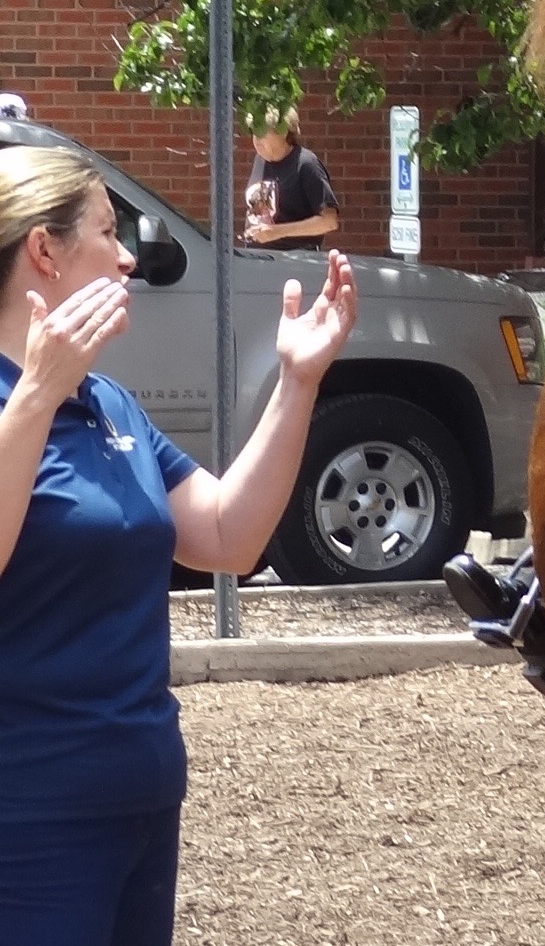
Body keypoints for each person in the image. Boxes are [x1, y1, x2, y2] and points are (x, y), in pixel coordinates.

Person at [0, 144, 357, 943]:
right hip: (25, 815)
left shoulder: (110, 405)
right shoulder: (23, 401)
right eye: (106, 230)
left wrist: (298, 383)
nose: (128, 253)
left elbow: (228, 537)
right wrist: (33, 399)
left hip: (140, 799)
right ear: (44, 250)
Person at [243, 105, 340, 251]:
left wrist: (277, 232)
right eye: (254, 132)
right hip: (257, 258)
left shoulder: (305, 164)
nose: (256, 139)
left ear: (282, 132)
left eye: (262, 132)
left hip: (294, 260)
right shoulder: (259, 160)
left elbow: (329, 221)